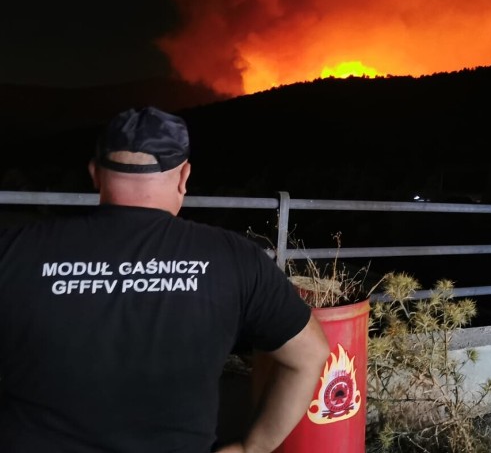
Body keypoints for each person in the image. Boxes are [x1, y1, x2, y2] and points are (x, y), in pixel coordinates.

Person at [0, 106, 329, 452]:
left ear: (95, 173)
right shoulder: (235, 258)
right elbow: (310, 355)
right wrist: (253, 447)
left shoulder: (14, 249)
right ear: (184, 175)